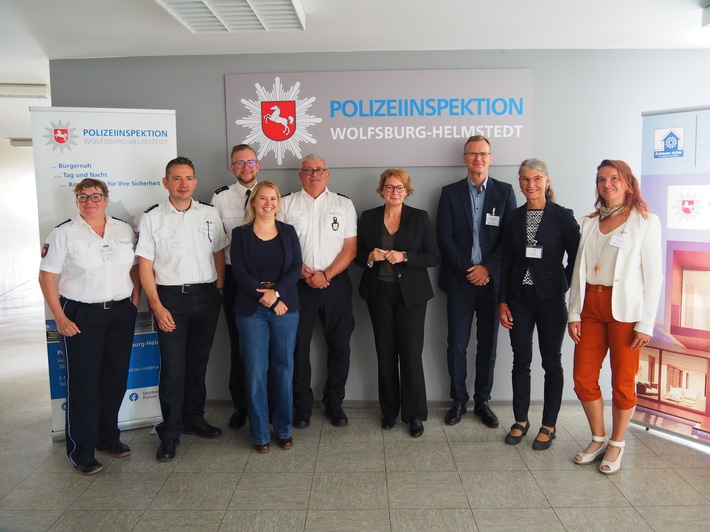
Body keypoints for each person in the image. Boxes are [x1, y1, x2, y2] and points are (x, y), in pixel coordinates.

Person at [39, 178, 140, 475]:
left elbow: (135, 267)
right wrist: (60, 318)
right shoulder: (63, 233)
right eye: (82, 197)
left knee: (115, 379)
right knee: (84, 384)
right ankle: (81, 450)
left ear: (106, 199)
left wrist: (134, 302)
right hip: (81, 315)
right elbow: (46, 277)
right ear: (77, 202)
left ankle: (108, 437)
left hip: (120, 313)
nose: (89, 202)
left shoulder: (123, 229)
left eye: (95, 196)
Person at [568, 159, 662, 474]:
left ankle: (617, 443)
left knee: (622, 382)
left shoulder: (645, 222)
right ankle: (598, 438)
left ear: (627, 182)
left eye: (613, 178)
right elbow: (579, 271)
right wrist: (574, 313)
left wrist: (645, 323)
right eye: (601, 179)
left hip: (626, 311)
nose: (607, 184)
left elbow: (654, 276)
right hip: (591, 308)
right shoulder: (589, 222)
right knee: (583, 379)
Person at [136, 156, 228, 462]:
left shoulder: (209, 213)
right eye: (176, 178)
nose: (183, 184)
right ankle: (170, 433)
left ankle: (194, 419)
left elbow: (218, 252)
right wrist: (156, 305)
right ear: (166, 183)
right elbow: (145, 265)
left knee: (197, 364)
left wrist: (219, 290)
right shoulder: (152, 218)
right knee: (173, 369)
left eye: (188, 178)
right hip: (170, 300)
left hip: (206, 297)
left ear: (195, 182)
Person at [498, 159, 580, 450]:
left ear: (546, 180)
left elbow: (576, 258)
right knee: (520, 361)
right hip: (519, 299)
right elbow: (506, 261)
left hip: (551, 301)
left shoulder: (562, 216)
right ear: (519, 182)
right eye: (525, 179)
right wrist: (502, 301)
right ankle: (520, 420)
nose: (530, 184)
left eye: (536, 179)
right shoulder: (513, 217)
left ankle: (549, 425)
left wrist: (562, 283)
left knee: (551, 362)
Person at [436, 135, 516, 428]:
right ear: (465, 158)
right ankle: (458, 400)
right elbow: (443, 237)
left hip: (492, 283)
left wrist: (487, 269)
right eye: (472, 154)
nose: (478, 158)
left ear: (490, 158)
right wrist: (470, 269)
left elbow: (510, 238)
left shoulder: (505, 192)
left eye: (483, 153)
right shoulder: (449, 193)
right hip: (459, 281)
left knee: (488, 346)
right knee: (456, 344)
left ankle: (482, 401)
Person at [355, 168, 440, 437]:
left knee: (411, 355)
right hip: (379, 294)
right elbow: (357, 255)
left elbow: (433, 256)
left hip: (411, 297)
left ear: (407, 191)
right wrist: (370, 257)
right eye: (390, 187)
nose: (394, 192)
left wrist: (405, 256)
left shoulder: (419, 217)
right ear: (382, 190)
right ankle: (389, 412)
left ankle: (414, 415)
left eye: (400, 187)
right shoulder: (368, 217)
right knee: (386, 354)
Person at [279, 154, 357, 428]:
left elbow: (350, 248)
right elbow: (281, 246)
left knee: (340, 346)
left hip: (335, 284)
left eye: (319, 169)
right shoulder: (285, 204)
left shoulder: (343, 204)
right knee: (297, 348)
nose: (314, 174)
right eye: (309, 170)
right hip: (297, 286)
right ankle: (302, 407)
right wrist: (304, 273)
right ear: (300, 174)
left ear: (327, 173)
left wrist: (326, 274)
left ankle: (334, 403)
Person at [231, 181, 302, 453]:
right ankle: (260, 434)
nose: (268, 203)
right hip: (252, 311)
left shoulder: (288, 232)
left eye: (273, 198)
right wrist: (268, 298)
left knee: (284, 369)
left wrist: (277, 294)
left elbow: (296, 266)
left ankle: (284, 429)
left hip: (285, 309)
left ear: (278, 203)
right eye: (263, 198)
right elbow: (240, 273)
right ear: (253, 202)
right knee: (255, 372)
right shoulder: (240, 234)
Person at [211, 144, 260, 431]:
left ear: (258, 165)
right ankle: (241, 406)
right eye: (239, 163)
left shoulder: (270, 193)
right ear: (232, 168)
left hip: (266, 279)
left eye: (250, 162)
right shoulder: (220, 198)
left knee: (265, 344)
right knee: (239, 344)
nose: (245, 167)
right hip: (233, 279)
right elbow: (216, 245)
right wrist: (220, 285)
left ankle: (266, 403)